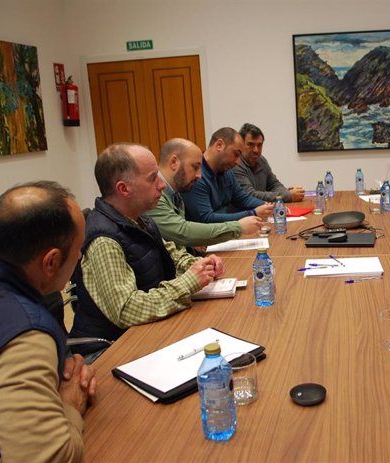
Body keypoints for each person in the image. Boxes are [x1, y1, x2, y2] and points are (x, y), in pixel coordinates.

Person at [0, 181, 96, 461]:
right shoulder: (26, 338)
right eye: (79, 248)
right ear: (51, 262)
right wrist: (69, 404)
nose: (80, 256)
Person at [70, 143, 224, 355]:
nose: (162, 185)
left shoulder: (140, 219)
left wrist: (200, 266)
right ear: (123, 189)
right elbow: (128, 310)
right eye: (153, 178)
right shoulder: (104, 240)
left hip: (147, 334)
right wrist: (189, 282)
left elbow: (174, 258)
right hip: (109, 350)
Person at [145, 138, 263, 249]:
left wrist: (191, 243)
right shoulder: (152, 196)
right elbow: (182, 231)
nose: (199, 175)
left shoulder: (176, 193)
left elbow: (175, 237)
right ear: (174, 162)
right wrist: (238, 227)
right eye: (195, 167)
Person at [182, 127, 274, 223]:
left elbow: (242, 199)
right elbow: (207, 218)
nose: (238, 162)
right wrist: (252, 213)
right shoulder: (196, 176)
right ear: (219, 145)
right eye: (236, 154)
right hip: (205, 235)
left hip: (226, 231)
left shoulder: (226, 171)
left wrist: (269, 206)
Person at [233, 123, 305, 202]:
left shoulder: (261, 160)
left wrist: (286, 192)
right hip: (244, 213)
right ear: (241, 144)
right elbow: (250, 195)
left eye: (259, 145)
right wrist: (287, 195)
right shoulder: (235, 163)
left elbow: (274, 185)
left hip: (262, 211)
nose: (256, 150)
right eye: (251, 145)